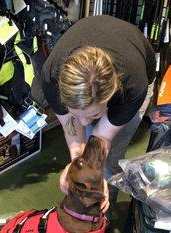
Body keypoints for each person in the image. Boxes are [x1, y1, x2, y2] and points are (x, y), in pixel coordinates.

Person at [39, 15, 156, 213]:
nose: (84, 123)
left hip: (136, 69)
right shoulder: (52, 77)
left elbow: (102, 137)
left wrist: (97, 175)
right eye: (76, 114)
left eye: (93, 114)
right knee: (86, 148)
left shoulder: (133, 86)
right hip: (94, 40)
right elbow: (74, 131)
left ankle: (102, 215)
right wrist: (76, 163)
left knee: (109, 161)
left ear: (110, 97)